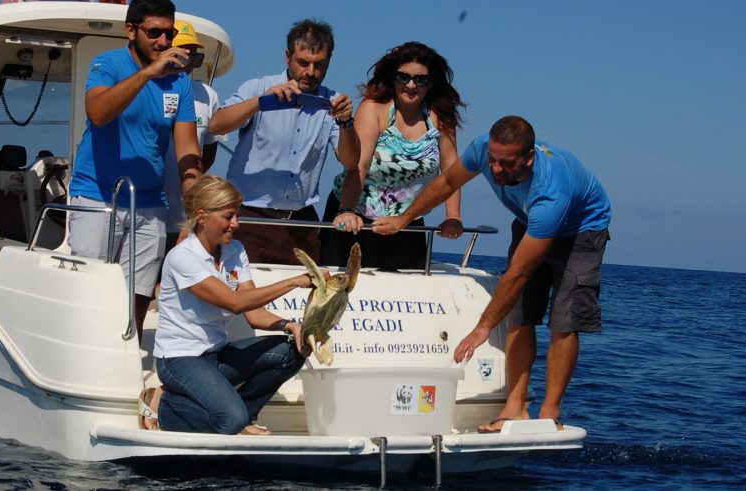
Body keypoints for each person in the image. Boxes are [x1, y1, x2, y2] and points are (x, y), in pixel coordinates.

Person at [372, 116, 612, 432]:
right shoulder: (483, 148)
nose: (496, 170)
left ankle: (550, 412)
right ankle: (514, 408)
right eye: (493, 161)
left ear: (529, 158)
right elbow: (447, 183)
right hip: (530, 223)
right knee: (520, 316)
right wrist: (404, 219)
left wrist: (482, 328)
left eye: (507, 164)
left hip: (581, 232)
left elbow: (519, 273)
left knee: (563, 322)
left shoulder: (552, 190)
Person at [67, 0, 203, 342]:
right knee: (90, 288)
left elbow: (187, 150)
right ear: (132, 31)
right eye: (154, 32)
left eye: (168, 33)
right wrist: (147, 74)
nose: (162, 41)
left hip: (151, 203)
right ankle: (83, 354)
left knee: (139, 295)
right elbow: (98, 113)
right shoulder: (107, 64)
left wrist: (195, 210)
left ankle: (125, 359)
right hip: (97, 197)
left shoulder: (180, 83)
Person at [147, 176, 318, 435]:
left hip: (217, 354)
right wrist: (295, 281)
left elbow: (253, 314)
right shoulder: (183, 257)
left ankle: (244, 417)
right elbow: (235, 303)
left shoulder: (234, 250)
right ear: (203, 217)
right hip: (180, 359)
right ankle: (162, 403)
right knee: (229, 420)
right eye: (228, 217)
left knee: (293, 350)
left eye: (236, 216)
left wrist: (289, 325)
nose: (236, 224)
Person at [208, 19, 360, 265]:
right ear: (287, 56)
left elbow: (351, 162)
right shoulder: (258, 87)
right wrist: (260, 102)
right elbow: (216, 125)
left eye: (319, 64)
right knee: (236, 298)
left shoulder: (334, 102)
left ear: (329, 62)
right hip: (248, 218)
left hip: (301, 223)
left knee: (303, 301)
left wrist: (346, 123)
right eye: (303, 63)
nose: (310, 72)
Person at [322, 42, 465, 269]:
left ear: (431, 83)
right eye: (403, 77)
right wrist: (346, 211)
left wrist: (453, 216)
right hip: (357, 218)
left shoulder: (441, 116)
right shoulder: (374, 108)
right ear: (393, 78)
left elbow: (451, 171)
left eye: (420, 79)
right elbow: (360, 165)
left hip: (408, 222)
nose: (411, 85)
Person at [161, 19, 225, 251]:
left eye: (195, 58)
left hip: (184, 219)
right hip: (149, 214)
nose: (189, 64)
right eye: (183, 55)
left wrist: (189, 185)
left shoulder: (208, 96)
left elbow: (208, 152)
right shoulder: (147, 88)